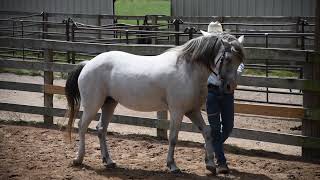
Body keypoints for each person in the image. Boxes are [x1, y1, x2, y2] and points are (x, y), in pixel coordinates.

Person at [202, 22, 245, 174]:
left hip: (227, 92)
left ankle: (210, 146)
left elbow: (239, 64)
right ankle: (221, 163)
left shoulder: (229, 49)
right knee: (215, 129)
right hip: (211, 92)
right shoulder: (205, 53)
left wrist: (234, 75)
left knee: (228, 127)